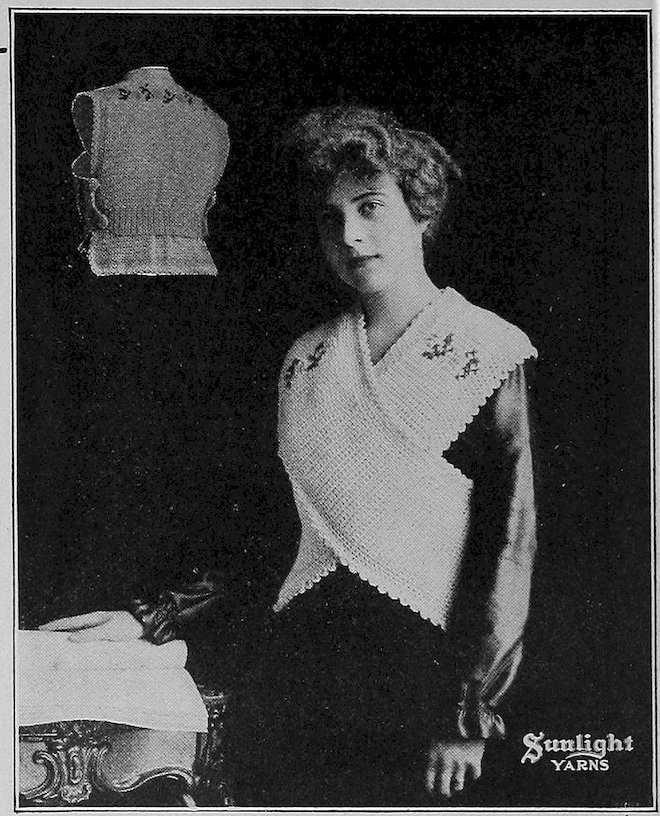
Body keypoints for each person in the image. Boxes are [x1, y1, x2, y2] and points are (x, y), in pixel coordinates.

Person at [40, 105, 538, 807]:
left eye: (371, 207)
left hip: (422, 684)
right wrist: (150, 618)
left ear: (420, 212)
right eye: (330, 218)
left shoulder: (489, 349)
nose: (351, 235)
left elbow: (508, 545)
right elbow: (271, 536)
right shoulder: (306, 360)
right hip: (296, 673)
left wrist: (468, 717)